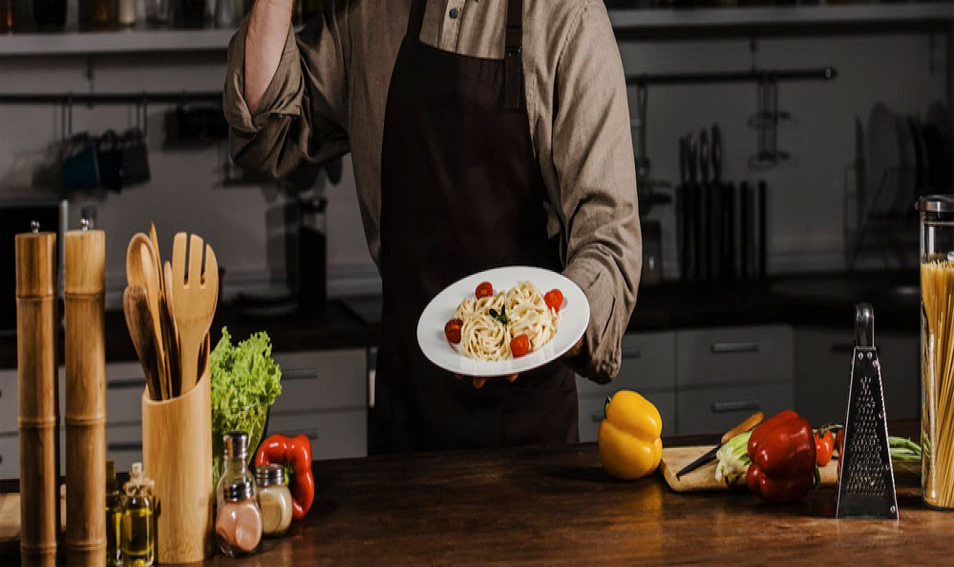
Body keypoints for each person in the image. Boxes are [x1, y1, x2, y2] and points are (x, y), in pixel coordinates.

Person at [224, 0, 641, 453]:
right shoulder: (371, 14)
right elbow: (267, 130)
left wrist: (534, 328)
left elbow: (609, 242)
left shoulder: (567, 17)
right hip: (404, 421)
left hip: (526, 436)